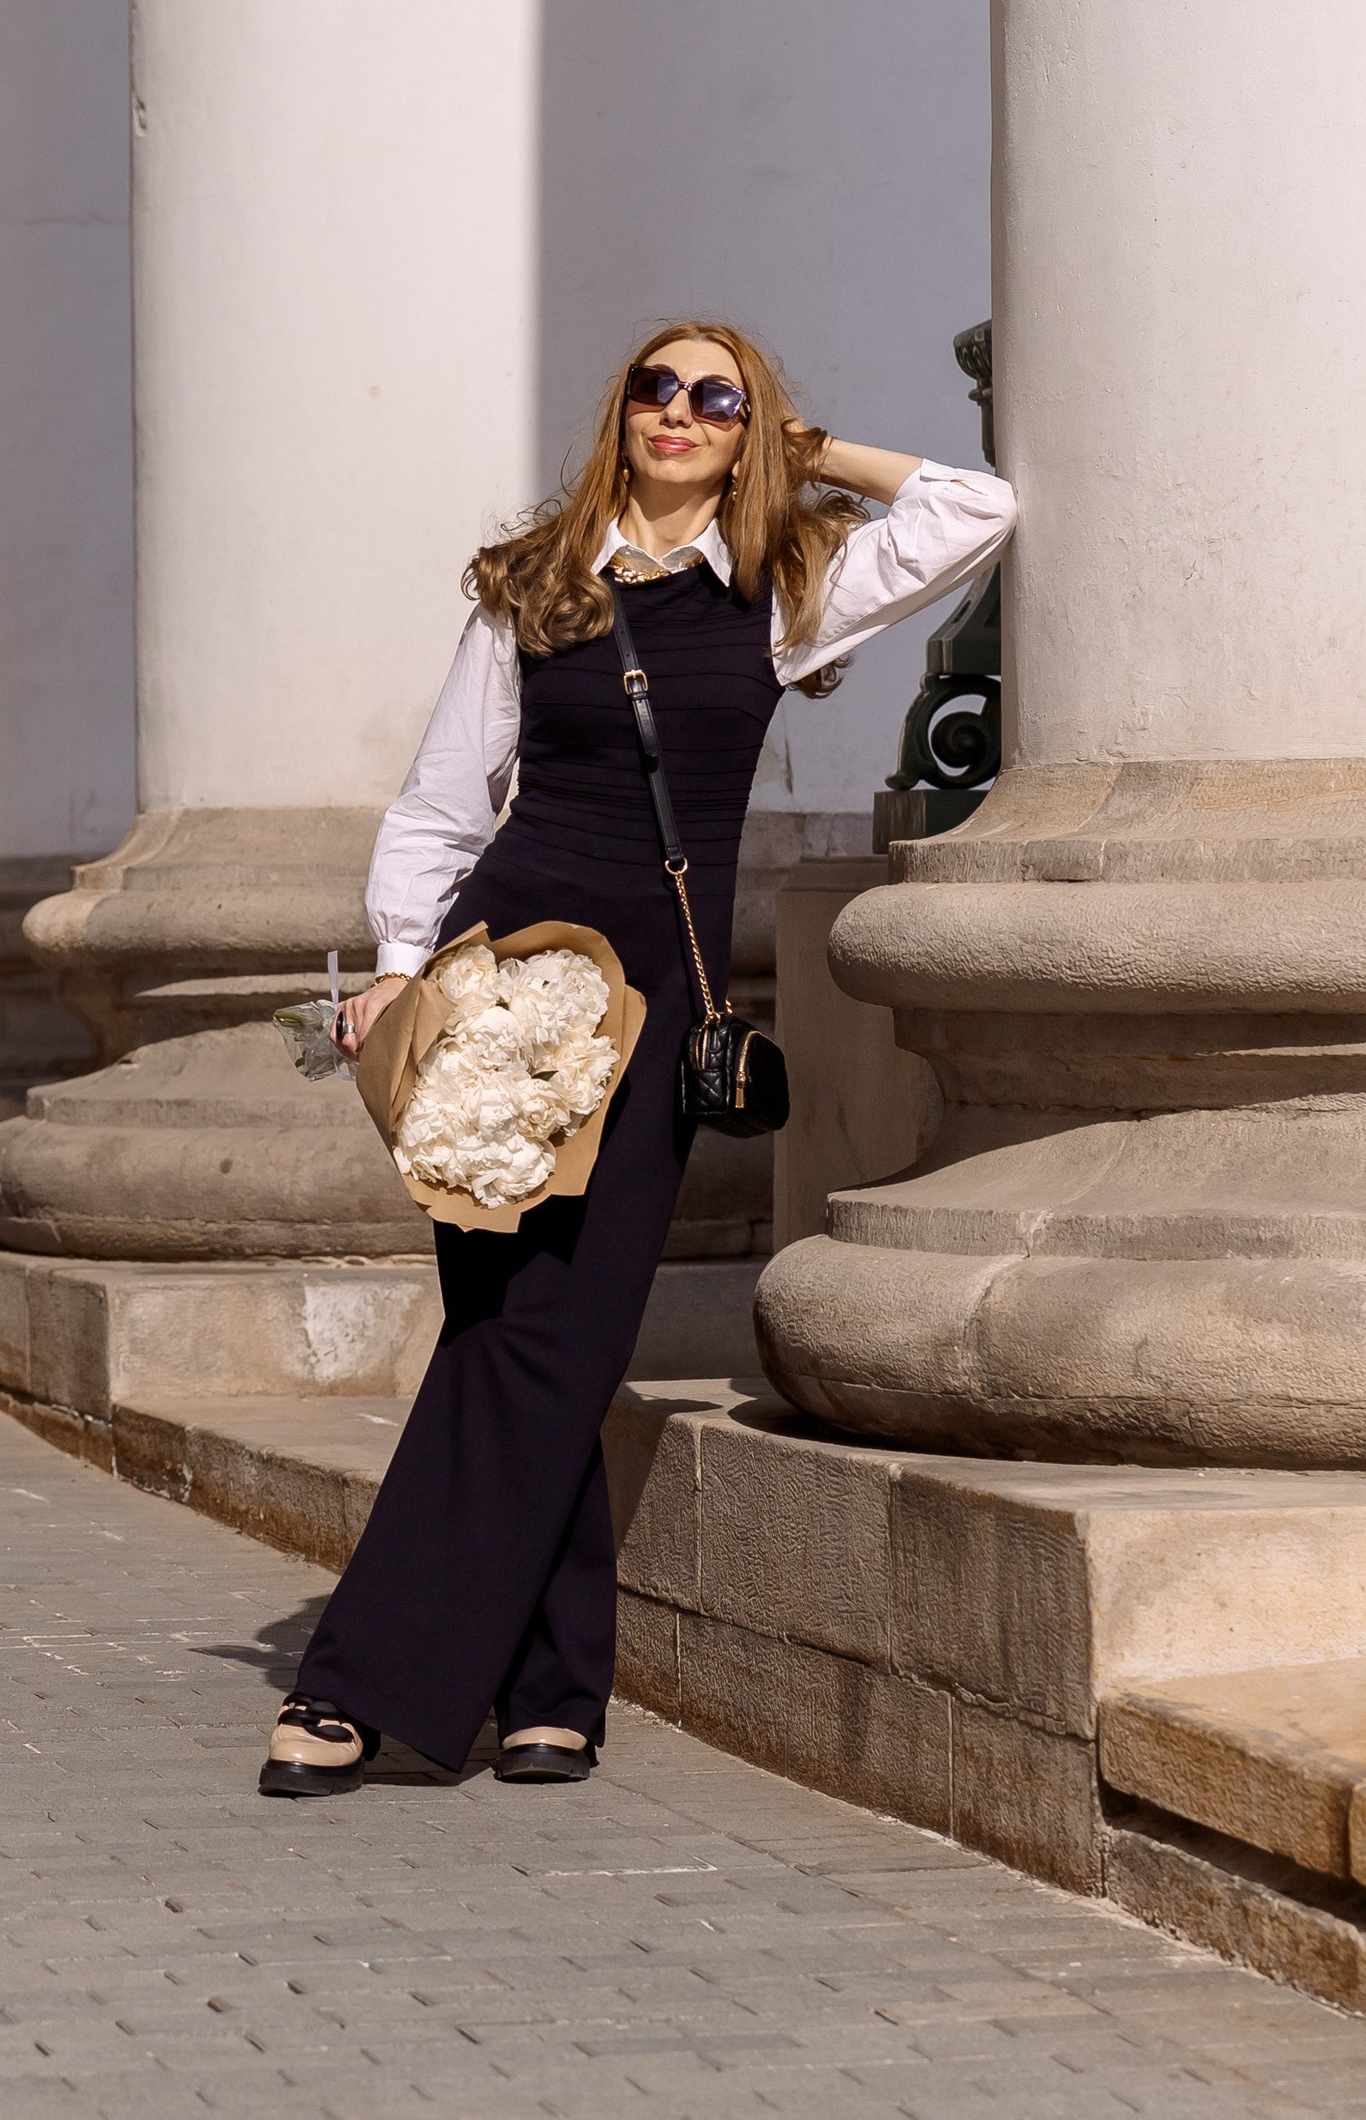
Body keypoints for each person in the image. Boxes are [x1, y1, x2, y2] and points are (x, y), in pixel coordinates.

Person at [259, 317, 1016, 1798]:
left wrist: (809, 457)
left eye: (715, 397)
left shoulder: (783, 588)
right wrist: (400, 972)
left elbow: (975, 512)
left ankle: (363, 1679)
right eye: (656, 388)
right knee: (512, 1330)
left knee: (562, 1333)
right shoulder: (535, 586)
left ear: (749, 427)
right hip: (500, 994)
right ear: (621, 414)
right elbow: (440, 796)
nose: (679, 411)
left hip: (652, 1004)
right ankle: (552, 1692)